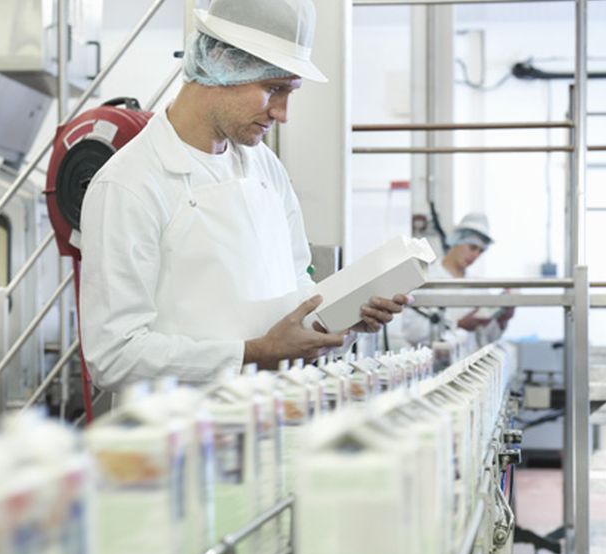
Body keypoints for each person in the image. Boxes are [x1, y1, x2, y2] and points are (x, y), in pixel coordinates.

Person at [79, 0, 408, 390]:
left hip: (270, 422)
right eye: (274, 89)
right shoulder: (129, 184)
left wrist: (337, 321)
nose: (283, 113)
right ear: (221, 64)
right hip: (181, 440)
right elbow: (114, 357)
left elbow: (298, 295)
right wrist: (252, 354)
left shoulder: (265, 168)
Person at [396, 213, 514, 348]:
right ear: (457, 241)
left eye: (481, 251)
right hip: (434, 364)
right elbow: (411, 332)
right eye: (472, 247)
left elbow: (487, 339)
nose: (475, 255)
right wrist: (458, 325)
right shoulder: (427, 279)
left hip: (470, 365)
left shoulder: (479, 286)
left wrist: (502, 320)